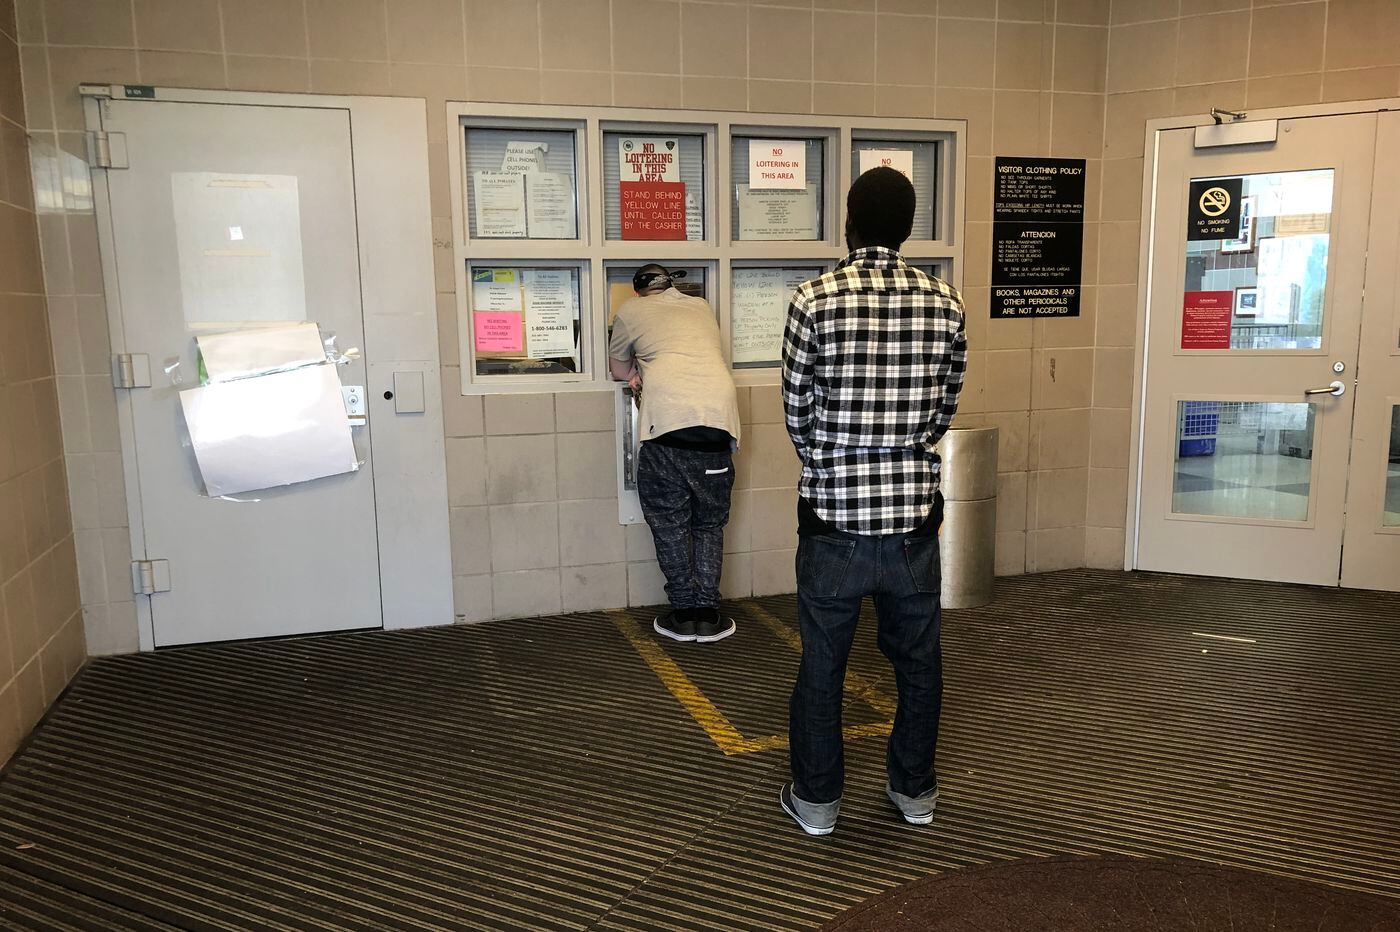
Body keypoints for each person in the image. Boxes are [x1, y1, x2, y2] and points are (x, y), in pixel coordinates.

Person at [778, 167, 967, 835]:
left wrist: (831, 464)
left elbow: (797, 413)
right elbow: (944, 409)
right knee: (919, 665)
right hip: (912, 518)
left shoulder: (812, 299)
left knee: (822, 665)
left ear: (849, 224)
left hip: (832, 518)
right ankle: (915, 793)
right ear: (909, 229)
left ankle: (817, 803)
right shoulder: (947, 303)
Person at [609, 264, 742, 644]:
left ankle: (684, 615)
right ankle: (708, 616)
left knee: (671, 527)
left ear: (638, 291)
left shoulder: (630, 310)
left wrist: (634, 374)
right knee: (709, 526)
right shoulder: (700, 306)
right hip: (719, 426)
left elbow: (618, 368)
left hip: (668, 427)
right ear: (671, 284)